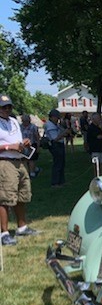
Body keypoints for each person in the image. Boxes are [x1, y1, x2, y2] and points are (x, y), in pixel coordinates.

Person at [0, 94, 38, 246]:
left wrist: (24, 143)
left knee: (22, 195)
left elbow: (17, 141)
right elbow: (7, 145)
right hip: (5, 162)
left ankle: (22, 227)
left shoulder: (15, 121)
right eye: (3, 107)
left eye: (9, 106)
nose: (6, 109)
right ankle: (4, 233)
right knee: (5, 198)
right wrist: (9, 147)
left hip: (20, 161)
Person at [44, 109, 71, 187]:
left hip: (59, 144)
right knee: (57, 164)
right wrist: (64, 133)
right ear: (52, 117)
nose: (58, 119)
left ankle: (61, 181)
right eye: (56, 117)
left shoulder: (55, 124)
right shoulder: (50, 125)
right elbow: (55, 138)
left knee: (62, 163)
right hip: (55, 145)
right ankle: (55, 183)